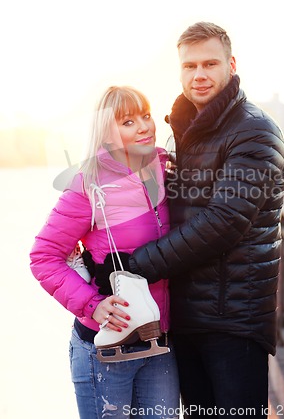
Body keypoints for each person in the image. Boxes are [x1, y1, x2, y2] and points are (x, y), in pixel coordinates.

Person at [128, 22, 284, 418]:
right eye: (190, 66)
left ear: (231, 65)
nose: (199, 75)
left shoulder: (254, 131)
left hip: (233, 320)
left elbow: (223, 222)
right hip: (186, 315)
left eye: (210, 64)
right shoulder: (182, 131)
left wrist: (132, 267)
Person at [30, 86, 179, 419]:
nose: (144, 126)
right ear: (107, 134)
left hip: (160, 343)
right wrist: (92, 306)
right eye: (128, 121)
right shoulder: (88, 184)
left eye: (146, 115)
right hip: (106, 348)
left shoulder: (163, 169)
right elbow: (44, 256)